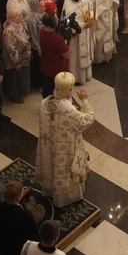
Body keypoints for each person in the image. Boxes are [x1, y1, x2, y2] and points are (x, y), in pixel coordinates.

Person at [36, 72, 95, 207]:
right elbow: (89, 119)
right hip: (65, 149)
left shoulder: (45, 103)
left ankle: (50, 189)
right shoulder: (70, 111)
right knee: (65, 171)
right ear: (70, 91)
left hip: (48, 145)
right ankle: (65, 197)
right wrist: (84, 100)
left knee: (51, 165)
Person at [58, 0, 95, 83]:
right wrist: (84, 25)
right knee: (75, 58)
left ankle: (86, 75)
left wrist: (91, 18)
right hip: (75, 38)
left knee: (86, 53)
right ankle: (76, 77)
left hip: (86, 32)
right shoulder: (66, 5)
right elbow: (67, 24)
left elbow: (91, 7)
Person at [87, 0, 120, 64]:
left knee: (109, 35)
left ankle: (108, 55)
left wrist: (114, 8)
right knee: (101, 38)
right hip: (100, 19)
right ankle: (100, 57)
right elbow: (91, 7)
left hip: (109, 15)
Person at [2, 9, 33, 103]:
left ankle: (22, 92)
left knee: (22, 76)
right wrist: (16, 62)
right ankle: (15, 95)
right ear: (12, 18)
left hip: (24, 58)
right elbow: (11, 48)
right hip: (15, 60)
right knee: (15, 78)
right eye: (18, 16)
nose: (21, 17)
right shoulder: (9, 30)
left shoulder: (22, 24)